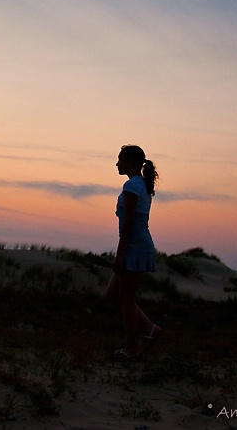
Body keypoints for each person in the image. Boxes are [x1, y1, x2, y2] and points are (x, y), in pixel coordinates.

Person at [105, 144, 163, 357]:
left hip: (134, 246)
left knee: (127, 299)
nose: (117, 163)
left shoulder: (132, 187)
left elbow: (128, 223)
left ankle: (131, 348)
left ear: (129, 161)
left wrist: (120, 255)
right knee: (113, 295)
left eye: (119, 158)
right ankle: (150, 329)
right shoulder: (140, 185)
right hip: (137, 244)